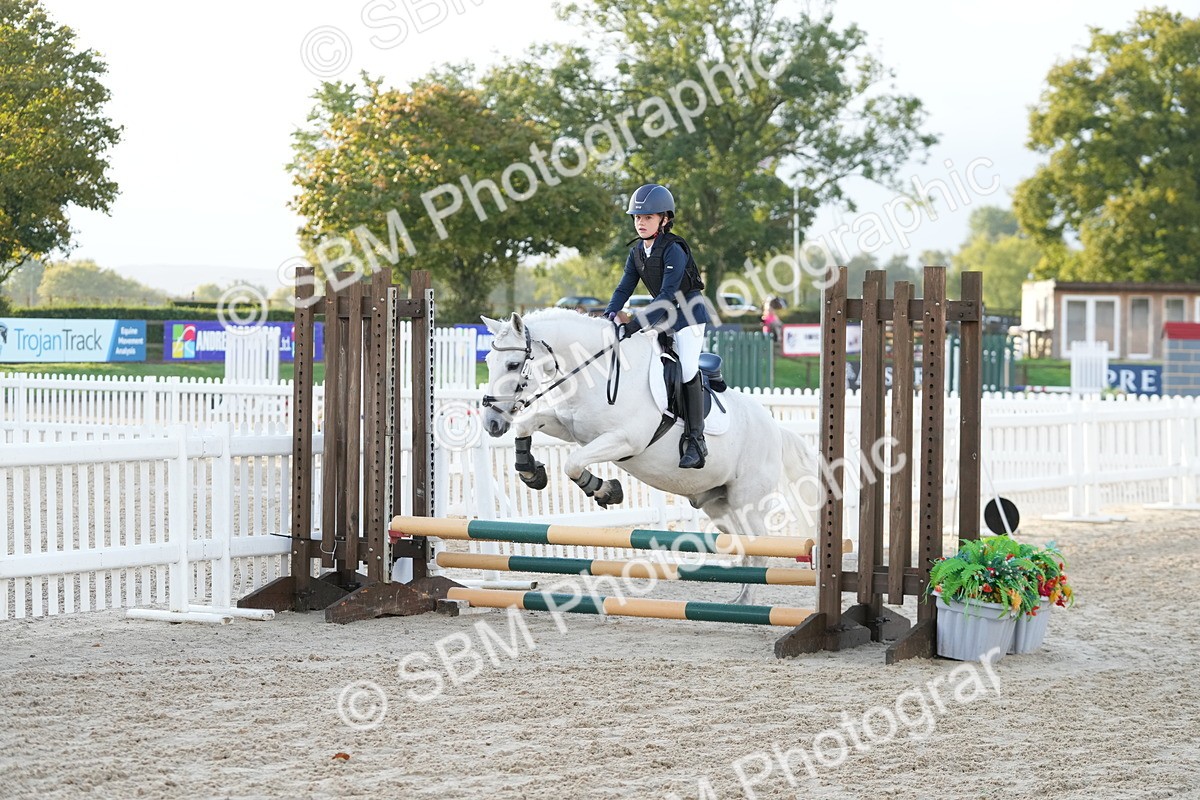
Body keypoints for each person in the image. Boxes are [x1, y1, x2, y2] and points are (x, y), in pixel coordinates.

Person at [603, 183, 711, 469]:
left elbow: (667, 296)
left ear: (664, 219)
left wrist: (635, 323)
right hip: (662, 316)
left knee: (687, 367)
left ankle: (696, 441)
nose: (641, 222)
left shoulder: (674, 249)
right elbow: (624, 288)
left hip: (688, 315)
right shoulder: (637, 252)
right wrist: (610, 313)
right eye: (638, 217)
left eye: (648, 217)